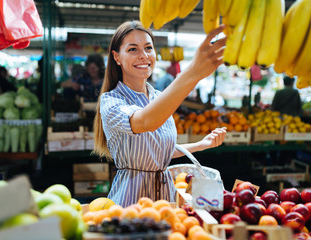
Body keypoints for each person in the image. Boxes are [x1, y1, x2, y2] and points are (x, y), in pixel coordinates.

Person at [93, 21, 227, 207]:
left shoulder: (158, 98)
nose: (143, 55)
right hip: (132, 199)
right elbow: (145, 121)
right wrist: (192, 73)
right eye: (133, 49)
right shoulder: (111, 101)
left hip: (166, 198)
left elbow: (158, 150)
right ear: (117, 57)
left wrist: (200, 145)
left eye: (148, 48)